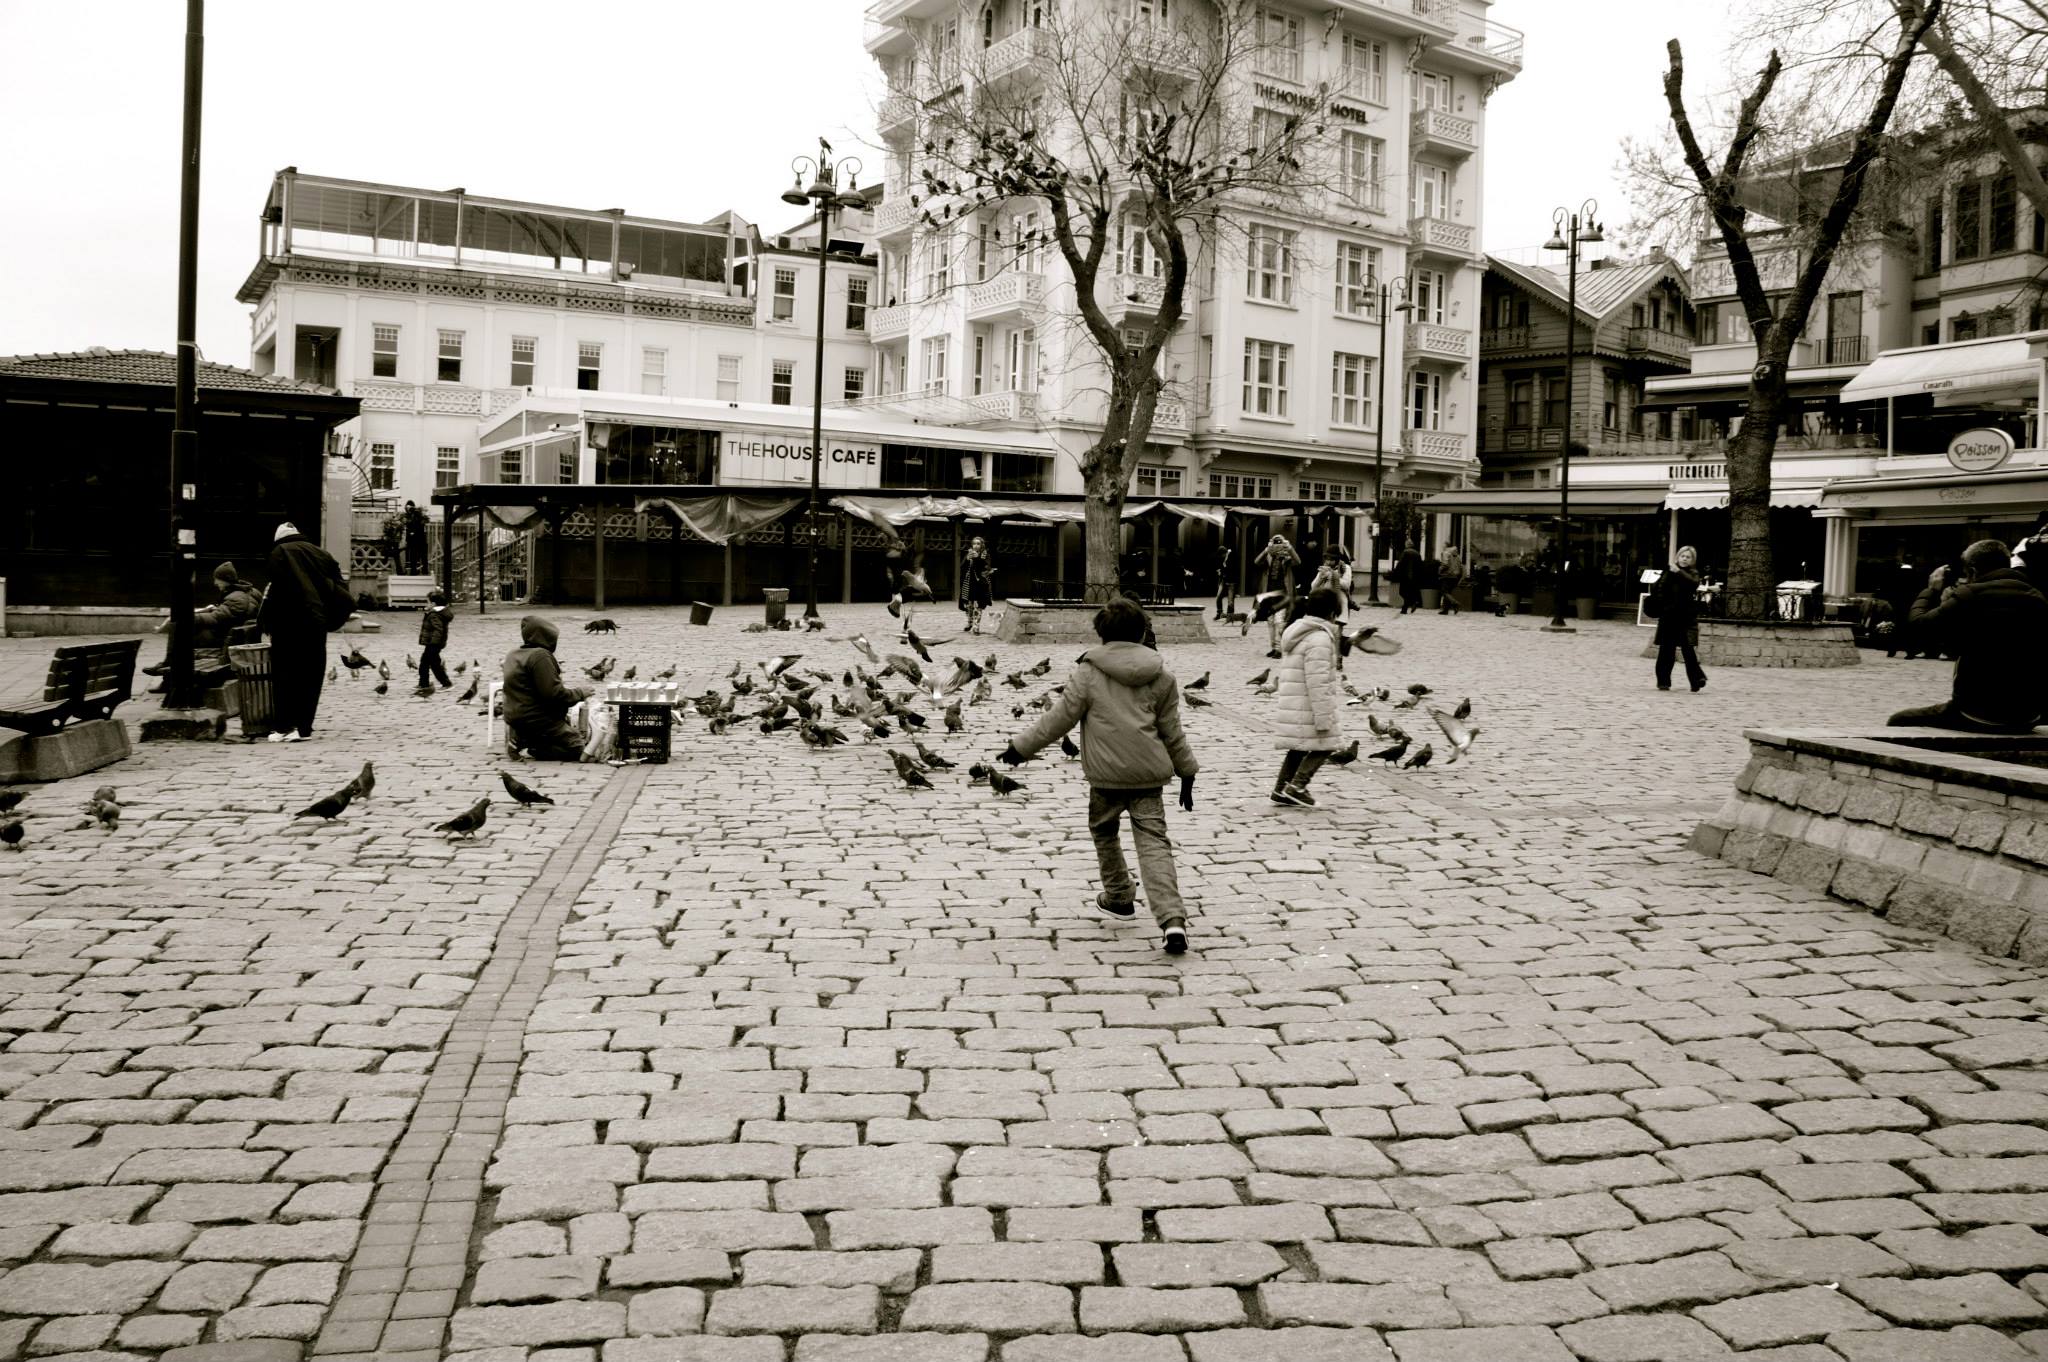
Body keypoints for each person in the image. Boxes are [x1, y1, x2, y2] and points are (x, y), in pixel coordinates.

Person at [1003, 598, 1198, 956]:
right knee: (1154, 844)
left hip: (1106, 778)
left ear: (1101, 634)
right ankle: (1172, 920)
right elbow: (1173, 732)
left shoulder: (1088, 672)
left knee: (1104, 832)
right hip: (1149, 778)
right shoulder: (1163, 676)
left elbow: (1058, 719)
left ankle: (1120, 895)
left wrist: (1020, 748)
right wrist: (1187, 772)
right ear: (1143, 632)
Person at [1888, 539, 2048, 733]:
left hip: (1976, 713)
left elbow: (1918, 627)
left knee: (1899, 720)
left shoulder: (1970, 595)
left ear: (1972, 571)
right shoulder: (2037, 597)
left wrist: (1931, 590)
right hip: (2027, 715)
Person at [258, 522, 354, 743]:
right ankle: (303, 728)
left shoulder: (279, 552)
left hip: (288, 624)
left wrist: (268, 624)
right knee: (311, 675)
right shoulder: (323, 554)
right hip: (316, 624)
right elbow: (339, 588)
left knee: (285, 674)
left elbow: (277, 591)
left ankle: (283, 726)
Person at [1270, 587, 1347, 808]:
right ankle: (1297, 786)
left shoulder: (1298, 630)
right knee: (1327, 743)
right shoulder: (1320, 638)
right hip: (1311, 705)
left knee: (1298, 747)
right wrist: (1324, 717)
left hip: (1296, 704)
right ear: (1333, 612)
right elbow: (1318, 681)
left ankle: (1281, 790)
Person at [144, 562, 261, 684]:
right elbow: (228, 614)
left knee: (179, 630)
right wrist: (216, 608)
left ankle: (168, 670)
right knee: (182, 630)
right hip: (232, 635)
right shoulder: (250, 592)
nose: (215, 583)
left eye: (217, 580)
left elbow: (215, 618)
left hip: (223, 638)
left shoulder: (236, 599)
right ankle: (168, 674)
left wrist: (190, 618)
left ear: (226, 580)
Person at [502, 615, 594, 761]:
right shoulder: (540, 656)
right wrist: (580, 693)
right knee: (579, 748)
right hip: (537, 718)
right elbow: (553, 694)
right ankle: (531, 743)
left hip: (514, 714)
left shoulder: (513, 654)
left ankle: (525, 738)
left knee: (563, 730)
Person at [1648, 545, 1708, 693]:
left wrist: (1679, 572)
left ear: (1692, 560)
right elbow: (1659, 589)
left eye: (1688, 557)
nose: (1685, 559)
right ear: (1677, 557)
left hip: (1685, 617)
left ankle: (1696, 680)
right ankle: (1663, 681)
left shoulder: (1693, 573)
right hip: (1669, 616)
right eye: (1682, 556)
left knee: (1688, 650)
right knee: (1666, 651)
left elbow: (1693, 584)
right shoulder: (1669, 571)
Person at [1253, 534, 1301, 658]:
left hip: (1283, 594)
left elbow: (1298, 561)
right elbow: (1256, 562)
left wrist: (1289, 548)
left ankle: (1279, 649)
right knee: (1270, 621)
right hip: (1268, 594)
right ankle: (1273, 647)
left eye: (1280, 543)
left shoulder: (1287, 558)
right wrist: (1266, 550)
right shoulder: (1268, 557)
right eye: (1276, 543)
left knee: (1279, 621)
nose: (1278, 546)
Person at [415, 589, 453, 695]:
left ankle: (446, 683)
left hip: (434, 643)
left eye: (428, 602)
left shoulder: (434, 615)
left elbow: (438, 629)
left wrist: (434, 643)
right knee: (425, 662)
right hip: (433, 643)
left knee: (434, 664)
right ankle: (423, 683)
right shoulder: (435, 613)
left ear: (433, 604)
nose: (427, 604)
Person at [960, 536, 995, 635]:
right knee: (969, 605)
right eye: (974, 543)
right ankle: (970, 623)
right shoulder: (969, 554)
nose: (976, 546)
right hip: (969, 582)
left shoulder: (985, 555)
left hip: (980, 584)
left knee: (978, 605)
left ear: (982, 545)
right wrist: (967, 559)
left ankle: (976, 626)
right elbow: (962, 567)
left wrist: (977, 558)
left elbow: (987, 567)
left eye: (978, 544)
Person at [1392, 544, 1423, 615]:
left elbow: (1400, 563)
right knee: (1409, 592)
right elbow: (1421, 565)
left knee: (1402, 592)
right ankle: (1407, 606)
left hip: (1405, 576)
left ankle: (1410, 604)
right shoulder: (1418, 554)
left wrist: (1396, 572)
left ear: (1407, 545)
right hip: (1415, 576)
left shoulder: (1405, 552)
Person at [402, 500, 429, 575]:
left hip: (418, 539)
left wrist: (412, 532)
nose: (408, 510)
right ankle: (416, 571)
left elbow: (419, 525)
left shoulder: (417, 514)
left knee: (420, 556)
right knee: (414, 556)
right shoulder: (409, 516)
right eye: (407, 508)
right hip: (415, 540)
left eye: (409, 508)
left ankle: (422, 571)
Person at [1437, 544, 1465, 615]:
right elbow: (1461, 567)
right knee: (1448, 593)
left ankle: (1455, 603)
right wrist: (1460, 578)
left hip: (1447, 576)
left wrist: (1439, 570)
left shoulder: (1446, 553)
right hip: (1455, 577)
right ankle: (1445, 610)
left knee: (1444, 591)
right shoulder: (1457, 556)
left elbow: (1445, 564)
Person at [1213, 541, 1237, 620]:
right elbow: (1223, 567)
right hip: (1224, 580)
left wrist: (1223, 569)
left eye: (1221, 555)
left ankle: (1230, 616)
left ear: (1224, 553)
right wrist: (1221, 571)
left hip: (1231, 581)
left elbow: (1232, 569)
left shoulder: (1232, 556)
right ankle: (1219, 613)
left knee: (1230, 600)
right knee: (1218, 597)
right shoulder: (1223, 558)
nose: (1221, 557)